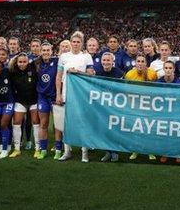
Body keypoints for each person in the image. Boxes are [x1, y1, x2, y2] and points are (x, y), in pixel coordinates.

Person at [56, 31, 95, 162]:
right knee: (66, 124)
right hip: (67, 94)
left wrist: (77, 72)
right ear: (71, 42)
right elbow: (59, 76)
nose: (76, 44)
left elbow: (91, 75)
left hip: (81, 95)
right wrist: (58, 94)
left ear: (82, 43)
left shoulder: (86, 57)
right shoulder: (64, 57)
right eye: (74, 41)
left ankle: (84, 152)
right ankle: (67, 151)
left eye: (78, 42)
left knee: (83, 123)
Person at [124, 53, 157, 161]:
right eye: (138, 61)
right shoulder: (129, 74)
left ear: (146, 63)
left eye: (143, 61)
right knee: (136, 128)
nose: (140, 63)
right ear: (135, 62)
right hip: (135, 105)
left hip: (148, 105)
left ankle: (150, 151)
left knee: (148, 128)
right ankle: (135, 150)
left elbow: (157, 90)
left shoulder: (152, 73)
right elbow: (126, 90)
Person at [32, 44, 61, 160]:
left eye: (48, 50)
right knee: (43, 124)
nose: (45, 52)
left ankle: (58, 149)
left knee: (58, 125)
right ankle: (43, 150)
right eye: (43, 50)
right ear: (40, 51)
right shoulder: (36, 63)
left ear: (52, 51)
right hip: (42, 97)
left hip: (54, 97)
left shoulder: (57, 61)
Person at [95, 52, 125, 162]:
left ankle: (115, 152)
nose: (106, 62)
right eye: (104, 60)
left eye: (108, 60)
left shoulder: (119, 73)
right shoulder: (97, 73)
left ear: (113, 61)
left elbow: (123, 90)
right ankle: (107, 151)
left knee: (114, 129)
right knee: (104, 129)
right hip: (102, 106)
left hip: (115, 106)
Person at [8, 53, 38, 158]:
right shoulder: (12, 72)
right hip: (20, 101)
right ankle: (17, 149)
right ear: (16, 62)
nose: (22, 64)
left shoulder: (33, 70)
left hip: (34, 100)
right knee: (16, 122)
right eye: (20, 62)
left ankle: (37, 149)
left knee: (35, 123)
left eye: (24, 62)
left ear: (28, 61)